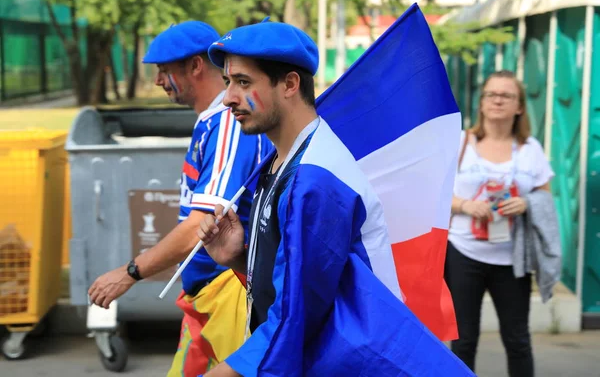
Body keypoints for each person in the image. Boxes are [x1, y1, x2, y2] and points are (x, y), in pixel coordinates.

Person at [195, 20, 473, 377]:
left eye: (244, 82)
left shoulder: (314, 179)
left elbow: (298, 315)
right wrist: (239, 259)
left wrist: (223, 374)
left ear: (290, 84)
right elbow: (298, 290)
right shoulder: (281, 162)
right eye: (228, 82)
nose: (229, 97)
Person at [87, 21, 272, 376]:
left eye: (163, 70)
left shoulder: (227, 126)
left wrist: (130, 273)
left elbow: (202, 225)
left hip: (228, 293)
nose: (158, 81)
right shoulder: (212, 122)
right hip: (207, 294)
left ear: (195, 66)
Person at [446, 70, 556, 376]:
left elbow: (545, 198)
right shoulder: (460, 142)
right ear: (481, 103)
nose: (497, 100)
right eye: (491, 94)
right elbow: (434, 195)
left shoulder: (530, 149)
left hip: (512, 258)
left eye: (506, 95)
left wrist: (526, 203)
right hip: (463, 253)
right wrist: (466, 205)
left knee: (518, 339)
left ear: (519, 106)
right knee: (464, 341)